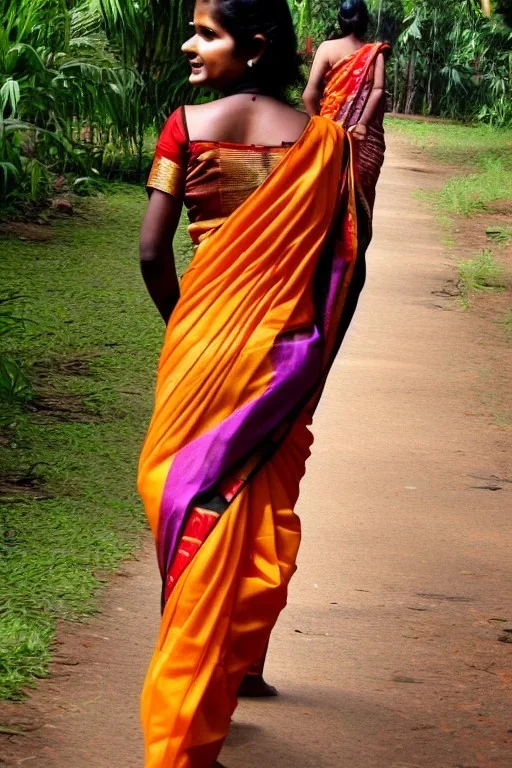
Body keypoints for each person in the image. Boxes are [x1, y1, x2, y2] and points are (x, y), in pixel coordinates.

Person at [137, 0, 370, 764]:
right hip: (284, 361)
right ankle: (228, 670)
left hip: (198, 352)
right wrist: (317, 364)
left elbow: (150, 251)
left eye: (207, 31)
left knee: (188, 503)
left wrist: (187, 323)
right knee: (251, 515)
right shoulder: (324, 143)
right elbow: (348, 268)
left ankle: (191, 683)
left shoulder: (186, 125)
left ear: (256, 43)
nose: (190, 42)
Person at [303, 0, 391, 212]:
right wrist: (362, 124)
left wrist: (320, 124)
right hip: (366, 139)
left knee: (325, 200)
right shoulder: (375, 53)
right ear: (365, 22)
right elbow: (378, 91)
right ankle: (355, 242)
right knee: (360, 201)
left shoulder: (327, 48)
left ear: (340, 21)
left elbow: (309, 94)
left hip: (330, 137)